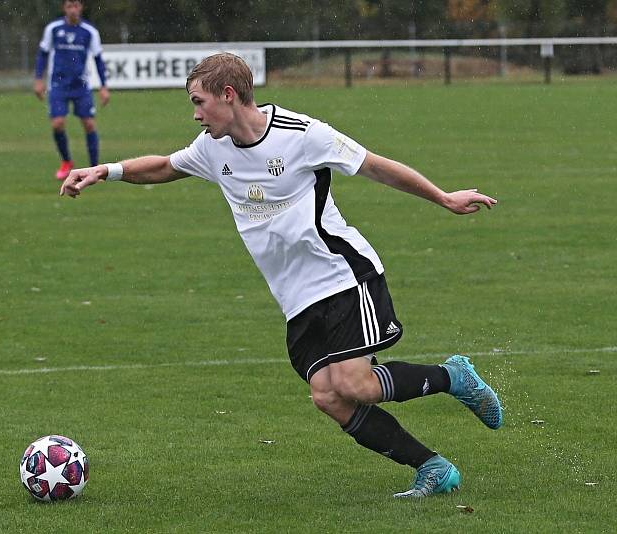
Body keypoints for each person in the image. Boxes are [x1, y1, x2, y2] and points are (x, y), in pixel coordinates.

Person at [60, 53, 503, 498]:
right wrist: (105, 171)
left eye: (199, 102)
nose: (195, 114)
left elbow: (375, 166)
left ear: (228, 95)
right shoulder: (212, 148)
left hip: (342, 275)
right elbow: (163, 166)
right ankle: (432, 468)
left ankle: (452, 377)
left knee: (355, 384)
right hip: (295, 298)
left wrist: (443, 197)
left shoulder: (303, 134)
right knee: (329, 397)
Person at [34, 0, 110, 180]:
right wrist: (38, 79)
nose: (73, 10)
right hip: (58, 85)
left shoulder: (90, 32)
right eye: (69, 6)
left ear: (81, 7)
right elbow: (43, 54)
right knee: (57, 123)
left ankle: (94, 167)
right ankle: (67, 161)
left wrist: (104, 86)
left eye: (76, 6)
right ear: (64, 8)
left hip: (81, 86)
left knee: (89, 124)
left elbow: (98, 59)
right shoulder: (53, 29)